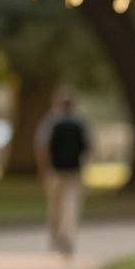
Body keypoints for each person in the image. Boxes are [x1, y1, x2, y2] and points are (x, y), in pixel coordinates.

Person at [34, 94, 91, 257]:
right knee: (71, 206)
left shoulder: (51, 122)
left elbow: (42, 147)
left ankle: (57, 236)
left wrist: (43, 168)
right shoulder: (80, 123)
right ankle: (67, 235)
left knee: (55, 206)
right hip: (74, 171)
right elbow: (87, 148)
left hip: (55, 171)